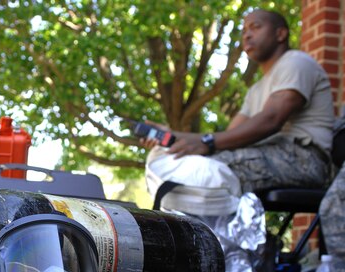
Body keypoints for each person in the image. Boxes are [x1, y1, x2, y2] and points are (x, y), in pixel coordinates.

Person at [143, 9, 335, 193]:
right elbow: (231, 135)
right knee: (182, 162)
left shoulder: (296, 62)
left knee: (204, 170)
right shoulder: (256, 90)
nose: (247, 35)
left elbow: (272, 119)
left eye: (255, 27)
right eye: (244, 31)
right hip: (269, 152)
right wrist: (174, 136)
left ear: (280, 34)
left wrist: (206, 144)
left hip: (305, 159)